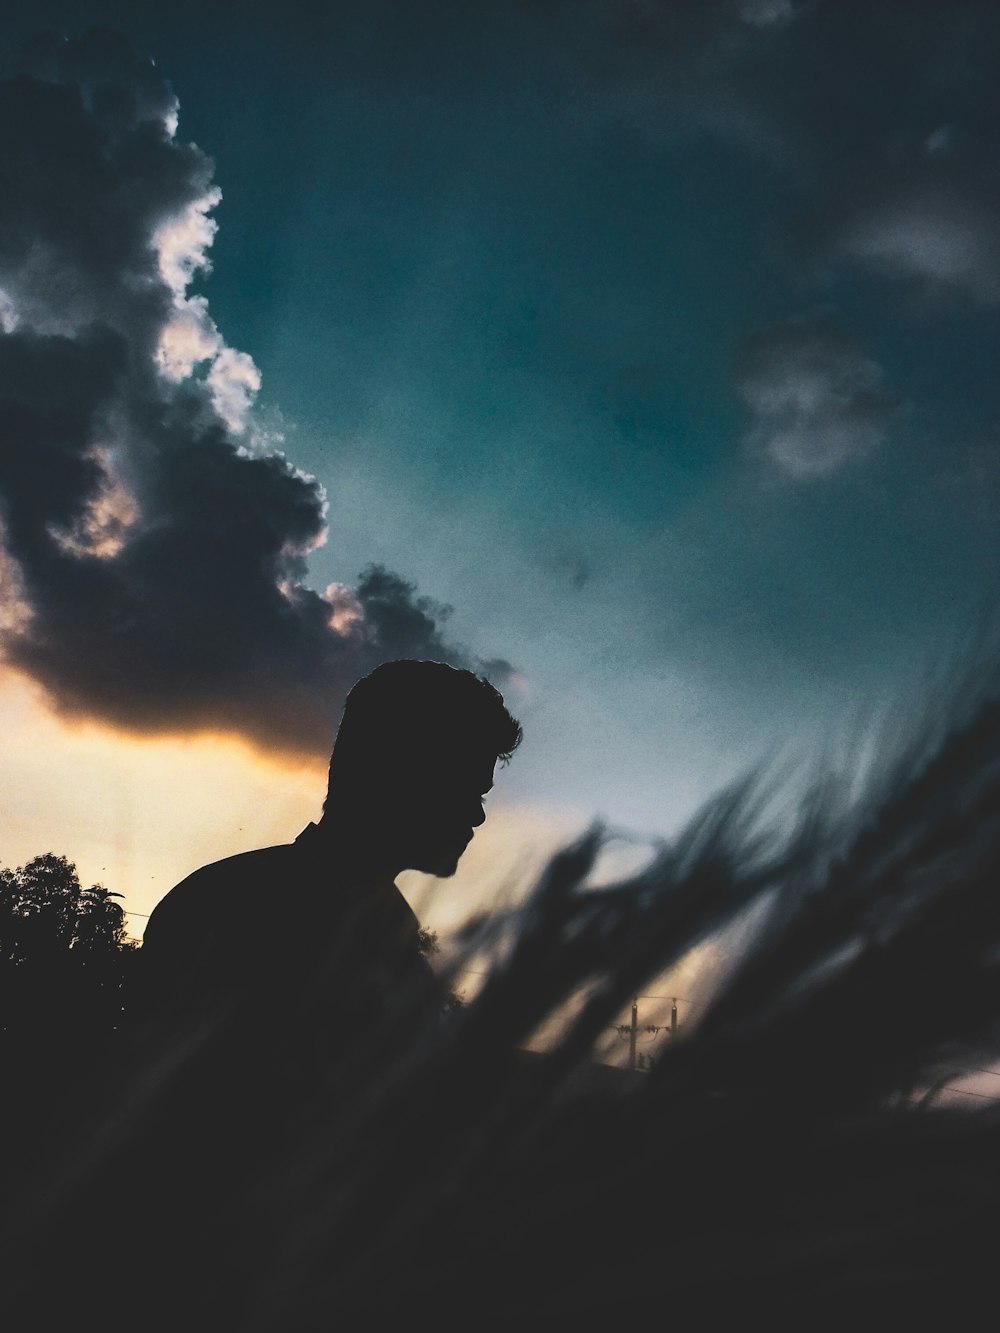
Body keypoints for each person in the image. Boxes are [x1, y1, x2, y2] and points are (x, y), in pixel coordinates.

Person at [135, 658, 523, 1092]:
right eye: (465, 788)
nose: (477, 815)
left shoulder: (220, 896)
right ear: (397, 772)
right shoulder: (231, 915)